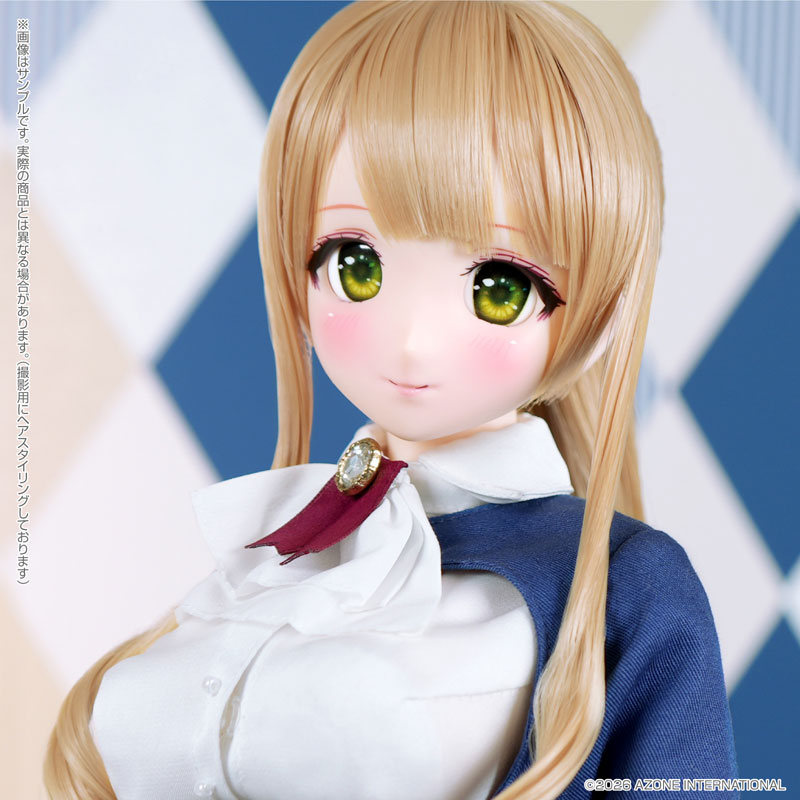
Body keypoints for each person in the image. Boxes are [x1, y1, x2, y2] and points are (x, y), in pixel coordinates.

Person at [44, 2, 738, 799]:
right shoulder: (287, 549)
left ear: (602, 304)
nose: (410, 339)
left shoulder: (617, 583)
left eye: (499, 287)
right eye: (356, 265)